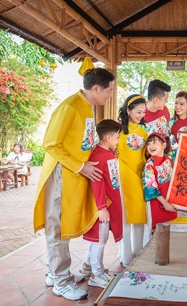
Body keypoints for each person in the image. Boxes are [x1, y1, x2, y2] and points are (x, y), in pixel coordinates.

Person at [33, 68, 115, 301]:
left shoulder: (87, 106)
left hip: (73, 176)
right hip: (61, 174)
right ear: (96, 88)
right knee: (57, 227)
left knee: (64, 223)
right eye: (108, 90)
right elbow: (51, 143)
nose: (109, 95)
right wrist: (81, 167)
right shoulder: (70, 107)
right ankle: (61, 281)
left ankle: (55, 272)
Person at [82, 119, 123, 289]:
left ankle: (90, 265)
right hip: (103, 205)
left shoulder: (108, 153)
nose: (118, 140)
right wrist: (101, 208)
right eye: (117, 137)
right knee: (100, 238)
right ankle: (96, 274)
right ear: (108, 138)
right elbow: (97, 183)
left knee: (101, 237)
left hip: (110, 202)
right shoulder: (98, 156)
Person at [116, 94, 149, 267]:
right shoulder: (118, 130)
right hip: (122, 178)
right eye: (138, 111)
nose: (141, 115)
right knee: (124, 218)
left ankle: (139, 252)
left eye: (143, 112)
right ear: (128, 110)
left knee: (138, 217)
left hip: (139, 178)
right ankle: (125, 254)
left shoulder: (144, 131)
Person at [142, 132, 177, 230]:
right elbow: (151, 188)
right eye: (148, 143)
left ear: (164, 145)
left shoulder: (169, 160)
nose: (151, 146)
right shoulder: (149, 165)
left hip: (171, 202)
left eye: (154, 142)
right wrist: (165, 203)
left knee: (171, 230)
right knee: (158, 232)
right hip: (157, 204)